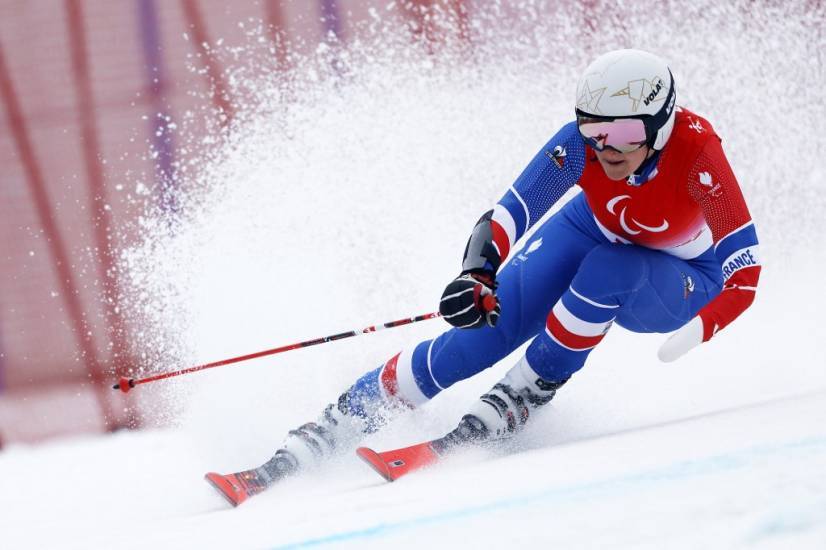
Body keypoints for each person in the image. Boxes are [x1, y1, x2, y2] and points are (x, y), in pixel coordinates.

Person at [207, 48, 761, 503]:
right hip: (591, 228)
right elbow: (508, 213)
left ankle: (523, 391)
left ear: (661, 125)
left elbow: (746, 272)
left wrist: (696, 333)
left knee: (607, 269)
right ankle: (334, 425)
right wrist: (477, 272)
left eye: (621, 134)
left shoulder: (697, 153)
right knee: (482, 332)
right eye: (592, 131)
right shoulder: (582, 147)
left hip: (684, 276)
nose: (604, 149)